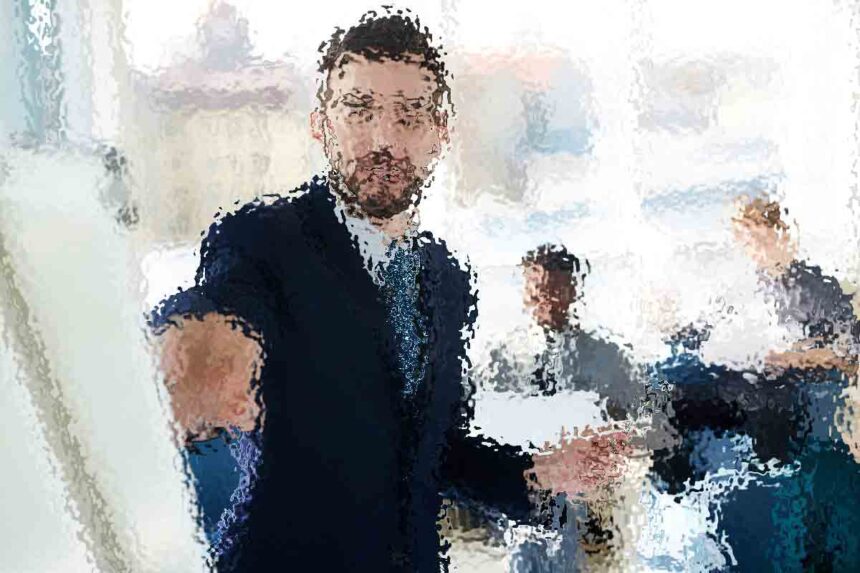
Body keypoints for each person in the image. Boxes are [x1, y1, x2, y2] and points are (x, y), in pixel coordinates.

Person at [152, 11, 586, 572]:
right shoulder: (262, 241)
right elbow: (219, 318)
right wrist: (194, 350)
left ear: (440, 133)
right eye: (360, 110)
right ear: (321, 125)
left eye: (410, 116)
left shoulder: (446, 279)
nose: (384, 139)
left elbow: (433, 451)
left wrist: (537, 480)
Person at [472, 244, 653, 570]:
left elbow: (639, 424)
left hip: (589, 497)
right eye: (535, 290)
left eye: (553, 289)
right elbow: (481, 422)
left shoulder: (608, 359)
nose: (544, 299)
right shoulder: (500, 359)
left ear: (572, 291)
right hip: (522, 489)